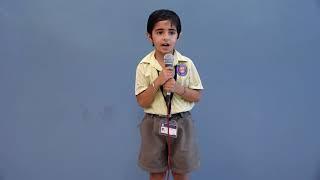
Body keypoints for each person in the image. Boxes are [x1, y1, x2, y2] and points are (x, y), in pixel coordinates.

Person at [135, 9, 203, 180]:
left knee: (180, 171)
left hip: (181, 122)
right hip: (153, 123)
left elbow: (197, 96)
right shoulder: (144, 66)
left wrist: (178, 88)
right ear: (149, 36)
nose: (166, 37)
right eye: (159, 32)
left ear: (178, 36)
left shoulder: (186, 63)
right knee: (156, 172)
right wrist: (158, 81)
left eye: (171, 32)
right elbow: (142, 101)